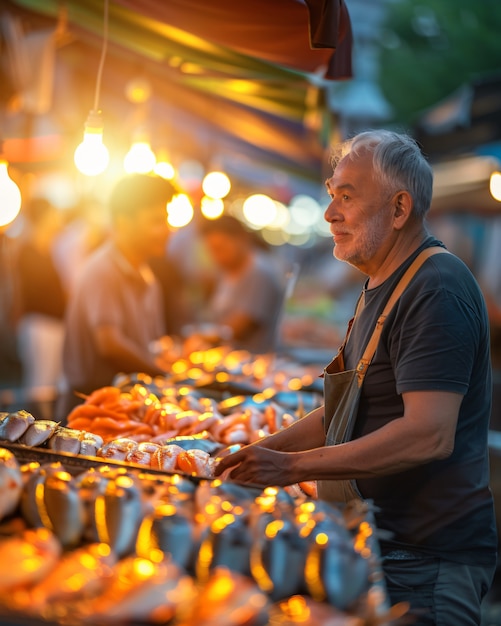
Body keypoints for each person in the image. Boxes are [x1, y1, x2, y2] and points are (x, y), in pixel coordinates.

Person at [216, 130, 498, 625]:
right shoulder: (381, 284)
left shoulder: (436, 287)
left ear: (398, 209)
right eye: (332, 196)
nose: (330, 213)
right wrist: (259, 453)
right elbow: (344, 411)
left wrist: (293, 468)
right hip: (380, 541)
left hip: (426, 559)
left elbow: (428, 434)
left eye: (347, 197)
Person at [57, 174, 177, 420]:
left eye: (166, 220)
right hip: (91, 408)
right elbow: (109, 344)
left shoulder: (147, 275)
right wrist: (165, 375)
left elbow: (151, 345)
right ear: (123, 223)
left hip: (126, 405)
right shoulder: (103, 270)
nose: (166, 230)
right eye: (156, 221)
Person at [196, 215, 284, 354]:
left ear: (241, 239)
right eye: (212, 250)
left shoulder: (258, 272)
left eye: (221, 248)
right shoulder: (229, 269)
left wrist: (201, 338)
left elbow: (238, 327)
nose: (216, 256)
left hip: (252, 361)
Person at [13, 198, 66, 405]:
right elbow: (22, 292)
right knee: (39, 386)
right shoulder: (27, 250)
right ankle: (30, 432)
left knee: (51, 385)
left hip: (53, 323)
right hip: (38, 324)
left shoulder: (49, 249)